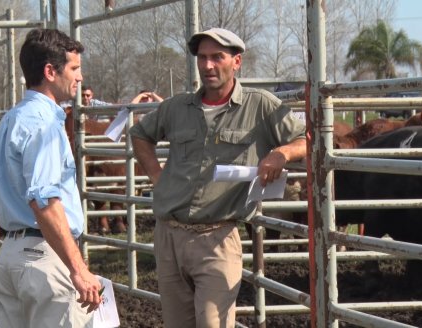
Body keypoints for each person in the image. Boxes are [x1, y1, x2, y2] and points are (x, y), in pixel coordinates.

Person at [129, 27, 307, 328]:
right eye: (202, 58)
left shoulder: (259, 105)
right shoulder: (177, 107)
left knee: (214, 323)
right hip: (169, 234)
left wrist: (282, 153)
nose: (208, 66)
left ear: (236, 62)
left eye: (217, 57)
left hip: (217, 236)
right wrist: (157, 177)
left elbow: (308, 138)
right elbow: (140, 134)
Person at [0, 28, 102, 327]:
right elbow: (44, 200)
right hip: (45, 258)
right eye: (74, 68)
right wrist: (77, 267)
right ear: (51, 71)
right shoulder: (45, 126)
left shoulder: (11, 119)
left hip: (11, 253)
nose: (79, 77)